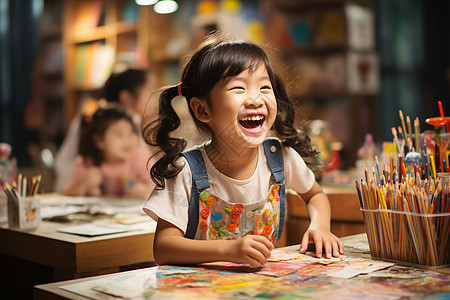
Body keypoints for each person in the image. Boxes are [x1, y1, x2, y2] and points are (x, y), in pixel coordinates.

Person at [141, 33, 344, 268]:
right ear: (202, 110)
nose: (255, 99)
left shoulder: (280, 157)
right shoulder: (186, 171)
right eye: (239, 88)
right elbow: (164, 248)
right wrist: (228, 250)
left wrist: (319, 226)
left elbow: (315, 195)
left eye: (264, 87)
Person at [53, 68, 156, 193]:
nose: (156, 98)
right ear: (126, 97)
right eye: (150, 91)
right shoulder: (109, 120)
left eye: (131, 134)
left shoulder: (99, 116)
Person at [63, 106, 153, 198]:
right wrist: (84, 185)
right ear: (99, 141)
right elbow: (66, 195)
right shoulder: (87, 164)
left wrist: (144, 192)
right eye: (119, 135)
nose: (128, 140)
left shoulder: (139, 158)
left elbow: (161, 188)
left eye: (131, 133)